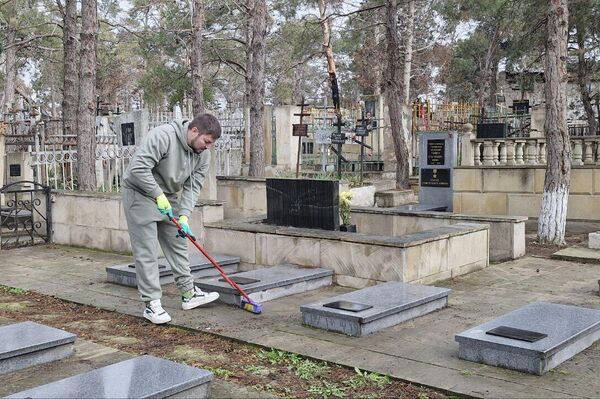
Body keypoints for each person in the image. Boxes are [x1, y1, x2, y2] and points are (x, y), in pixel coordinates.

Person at [122, 114, 221, 324]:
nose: (208, 147)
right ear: (195, 131)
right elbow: (137, 169)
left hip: (168, 197)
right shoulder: (163, 136)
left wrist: (184, 216)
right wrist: (157, 195)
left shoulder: (202, 154)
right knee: (147, 250)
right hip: (140, 192)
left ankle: (189, 293)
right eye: (207, 141)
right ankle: (152, 304)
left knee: (178, 243)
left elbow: (193, 187)